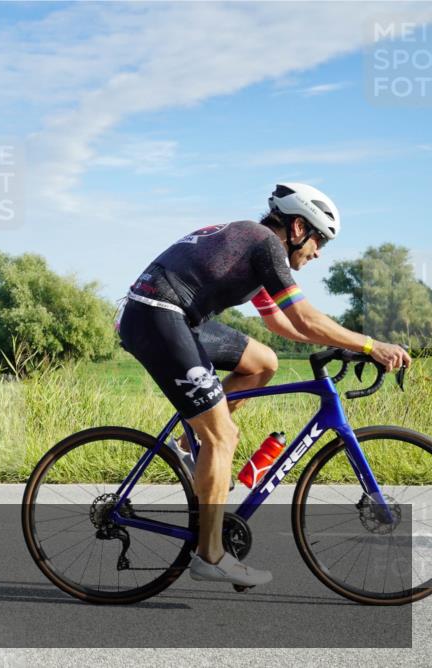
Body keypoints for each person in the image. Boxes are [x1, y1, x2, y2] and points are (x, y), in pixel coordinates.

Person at [116, 183, 411, 586]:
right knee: (223, 437)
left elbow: (282, 325)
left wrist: (345, 346)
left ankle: (187, 449)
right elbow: (305, 319)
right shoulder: (263, 245)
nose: (318, 252)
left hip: (174, 318)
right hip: (156, 316)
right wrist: (370, 344)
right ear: (296, 227)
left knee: (263, 361)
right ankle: (210, 555)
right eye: (318, 240)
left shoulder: (252, 249)